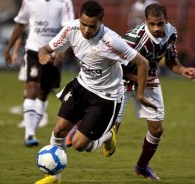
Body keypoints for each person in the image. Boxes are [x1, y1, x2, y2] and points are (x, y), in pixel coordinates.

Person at [36, 1, 156, 183]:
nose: (86, 30)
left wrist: (140, 94)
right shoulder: (71, 29)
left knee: (78, 145)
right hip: (82, 86)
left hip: (106, 97)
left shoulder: (111, 41)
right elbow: (45, 48)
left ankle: (109, 135)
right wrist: (43, 55)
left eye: (91, 26)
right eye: (83, 24)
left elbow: (143, 63)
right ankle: (54, 177)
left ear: (101, 21)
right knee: (59, 131)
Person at [115, 3, 195, 180]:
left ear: (166, 21)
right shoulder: (133, 39)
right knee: (109, 133)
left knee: (157, 130)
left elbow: (170, 61)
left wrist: (183, 70)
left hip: (150, 79)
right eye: (151, 24)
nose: (156, 28)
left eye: (159, 24)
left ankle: (142, 167)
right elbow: (113, 66)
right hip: (121, 81)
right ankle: (82, 124)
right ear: (145, 21)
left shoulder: (171, 33)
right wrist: (138, 79)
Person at [4, 0, 74, 147]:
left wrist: (62, 50)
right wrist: (9, 48)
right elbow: (20, 24)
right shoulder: (29, 1)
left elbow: (69, 27)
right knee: (31, 87)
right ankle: (29, 134)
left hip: (53, 52)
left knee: (43, 93)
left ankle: (32, 130)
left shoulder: (64, 2)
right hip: (33, 51)